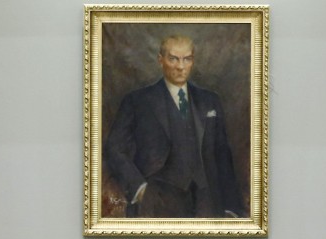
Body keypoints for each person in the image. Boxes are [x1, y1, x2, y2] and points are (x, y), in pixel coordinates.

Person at [105, 35, 245, 219]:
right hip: (155, 200)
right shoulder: (137, 101)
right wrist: (139, 189)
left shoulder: (210, 101)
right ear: (160, 60)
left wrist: (231, 207)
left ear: (192, 61)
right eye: (173, 59)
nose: (181, 66)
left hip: (206, 201)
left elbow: (222, 156)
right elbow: (114, 149)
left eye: (187, 59)